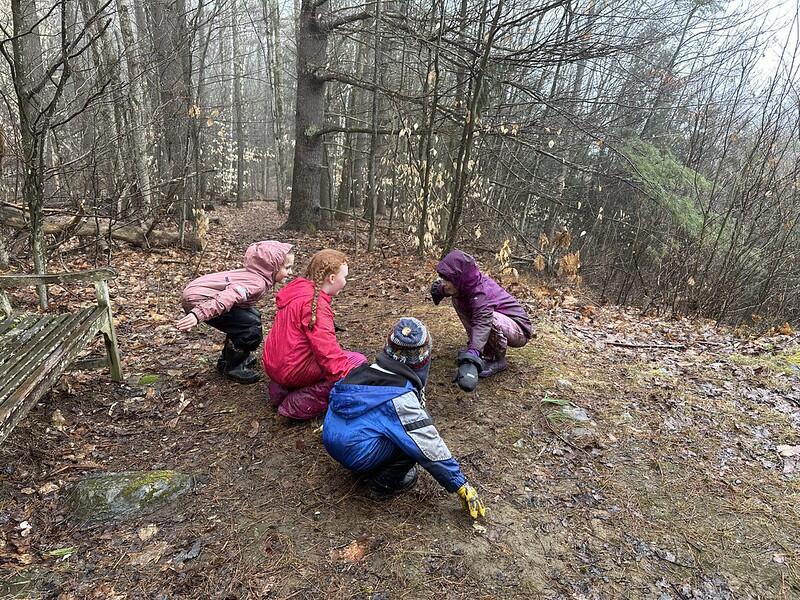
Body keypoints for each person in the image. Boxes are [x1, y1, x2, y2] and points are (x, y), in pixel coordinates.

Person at [323, 317, 487, 520]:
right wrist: (460, 483)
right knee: (413, 444)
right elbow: (428, 443)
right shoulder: (400, 398)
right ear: (422, 359)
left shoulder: (365, 370)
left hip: (333, 437)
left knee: (400, 429)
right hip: (355, 453)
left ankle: (369, 462)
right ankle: (382, 485)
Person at [262, 249, 366, 420]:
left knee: (342, 362)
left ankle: (280, 390)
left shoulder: (297, 292)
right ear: (332, 278)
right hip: (291, 368)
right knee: (357, 362)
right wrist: (356, 377)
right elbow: (328, 355)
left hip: (274, 363)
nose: (345, 281)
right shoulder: (315, 306)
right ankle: (297, 404)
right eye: (344, 277)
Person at [176, 240, 295, 384]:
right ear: (273, 267)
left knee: (251, 317)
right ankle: (233, 366)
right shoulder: (257, 283)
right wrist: (198, 314)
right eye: (287, 268)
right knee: (250, 327)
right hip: (200, 301)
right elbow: (228, 297)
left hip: (199, 294)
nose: (290, 273)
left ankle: (229, 358)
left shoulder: (255, 274)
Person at [430, 249, 532, 391]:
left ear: (460, 278)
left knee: (488, 318)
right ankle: (480, 349)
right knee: (458, 299)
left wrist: (473, 352)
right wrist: (439, 290)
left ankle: (496, 359)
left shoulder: (481, 292)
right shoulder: (464, 286)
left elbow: (483, 322)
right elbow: (449, 289)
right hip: (497, 320)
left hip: (518, 329)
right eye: (444, 279)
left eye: (448, 280)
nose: (444, 283)